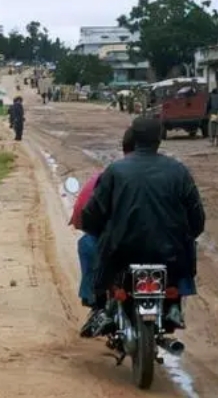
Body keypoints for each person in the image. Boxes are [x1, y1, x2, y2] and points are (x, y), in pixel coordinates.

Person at [79, 117, 206, 337]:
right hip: (169, 252)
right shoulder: (178, 171)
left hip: (121, 251)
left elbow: (92, 213)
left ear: (133, 139)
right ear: (159, 139)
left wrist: (98, 230)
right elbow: (197, 218)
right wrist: (184, 237)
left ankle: (101, 309)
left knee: (93, 247)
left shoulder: (115, 171)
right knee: (188, 243)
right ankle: (174, 305)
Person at [70, 128, 136, 307]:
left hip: (120, 244)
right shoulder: (171, 173)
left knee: (87, 244)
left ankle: (93, 298)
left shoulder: (109, 175)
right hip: (159, 244)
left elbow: (88, 212)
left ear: (125, 150)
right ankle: (174, 305)